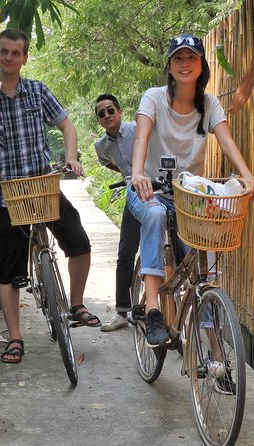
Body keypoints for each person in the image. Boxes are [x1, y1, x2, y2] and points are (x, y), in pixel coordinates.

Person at [0, 29, 101, 364]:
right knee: (8, 272)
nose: (9, 58)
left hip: (43, 187)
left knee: (79, 242)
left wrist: (72, 157)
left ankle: (76, 304)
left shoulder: (36, 91)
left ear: (24, 57)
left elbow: (67, 126)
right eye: (4, 52)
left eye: (16, 53)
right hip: (6, 195)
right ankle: (15, 338)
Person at [128, 34, 254, 347]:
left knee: (207, 266)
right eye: (178, 58)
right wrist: (136, 173)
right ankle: (152, 310)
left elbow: (226, 141)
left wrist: (247, 176)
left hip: (189, 198)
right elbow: (141, 137)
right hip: (149, 189)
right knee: (156, 214)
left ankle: (215, 354)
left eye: (192, 58)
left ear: (201, 65)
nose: (185, 64)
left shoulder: (210, 104)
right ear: (169, 67)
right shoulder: (154, 98)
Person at [93, 94, 141, 331]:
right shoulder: (101, 146)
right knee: (125, 253)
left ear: (120, 111)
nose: (107, 116)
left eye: (110, 110)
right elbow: (106, 162)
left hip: (157, 191)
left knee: (169, 248)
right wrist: (127, 175)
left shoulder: (137, 129)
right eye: (101, 113)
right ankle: (123, 312)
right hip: (133, 195)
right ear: (99, 120)